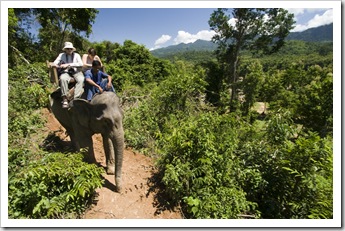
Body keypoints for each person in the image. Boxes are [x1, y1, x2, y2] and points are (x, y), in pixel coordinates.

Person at [53, 42, 84, 108]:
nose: (69, 50)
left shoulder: (77, 55)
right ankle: (65, 99)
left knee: (81, 79)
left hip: (76, 72)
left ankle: (76, 98)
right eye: (68, 49)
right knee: (62, 78)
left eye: (70, 49)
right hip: (66, 72)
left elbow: (81, 64)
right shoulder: (61, 55)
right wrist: (56, 65)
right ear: (65, 49)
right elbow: (55, 63)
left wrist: (69, 65)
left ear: (73, 49)